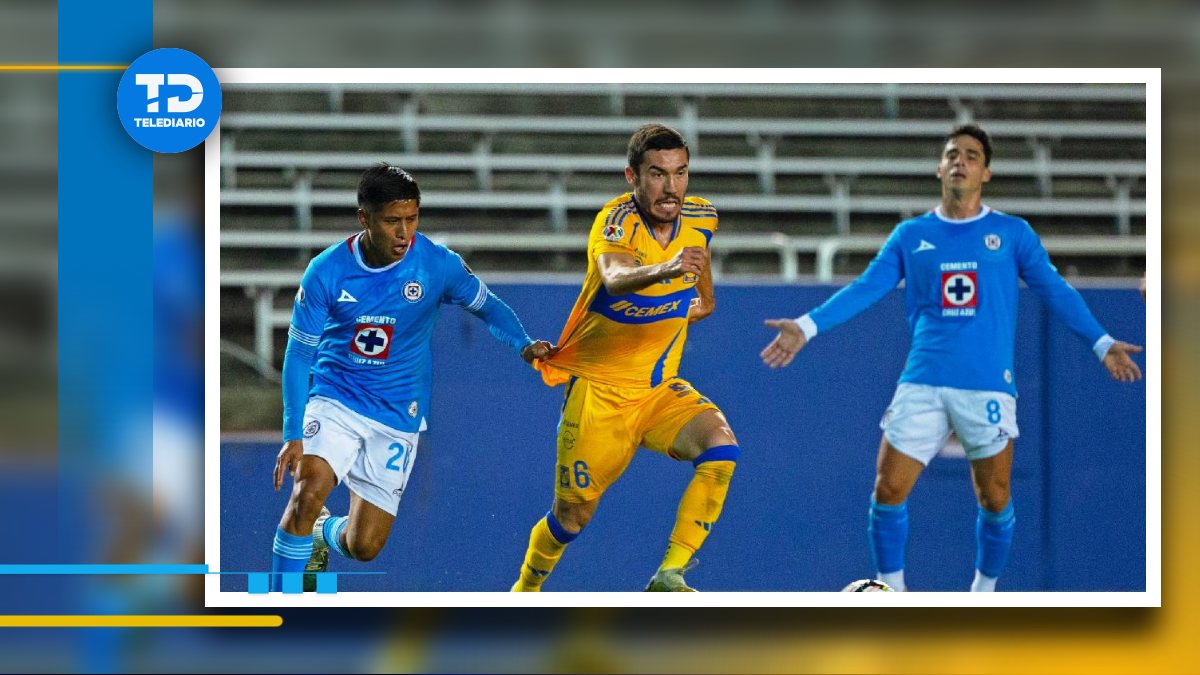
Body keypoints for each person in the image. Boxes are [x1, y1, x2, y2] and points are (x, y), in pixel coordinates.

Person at [760, 124, 1144, 592]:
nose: (960, 160)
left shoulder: (1011, 234)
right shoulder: (912, 235)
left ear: (986, 172)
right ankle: (891, 592)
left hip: (987, 383)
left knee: (995, 495)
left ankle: (982, 595)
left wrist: (1101, 343)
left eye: (971, 155)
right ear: (939, 168)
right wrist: (807, 325)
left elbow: (1055, 290)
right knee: (888, 489)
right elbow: (866, 288)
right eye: (952, 154)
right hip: (923, 380)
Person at [269, 164, 555, 592]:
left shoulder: (436, 265)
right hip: (336, 398)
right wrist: (293, 432)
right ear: (364, 219)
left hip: (397, 414)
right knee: (307, 493)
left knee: (364, 545)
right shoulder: (326, 272)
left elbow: (488, 305)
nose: (404, 232)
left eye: (412, 219)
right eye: (392, 221)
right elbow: (298, 354)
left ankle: (320, 536)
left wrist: (524, 343)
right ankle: (282, 606)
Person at [510, 123, 740, 592]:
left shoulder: (702, 216)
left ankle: (668, 574)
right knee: (573, 516)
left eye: (680, 173)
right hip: (600, 393)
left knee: (721, 448)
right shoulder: (615, 223)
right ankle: (524, 593)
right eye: (657, 174)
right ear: (632, 176)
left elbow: (698, 258)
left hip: (657, 389)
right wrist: (669, 269)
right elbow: (615, 277)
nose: (671, 187)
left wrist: (704, 298)